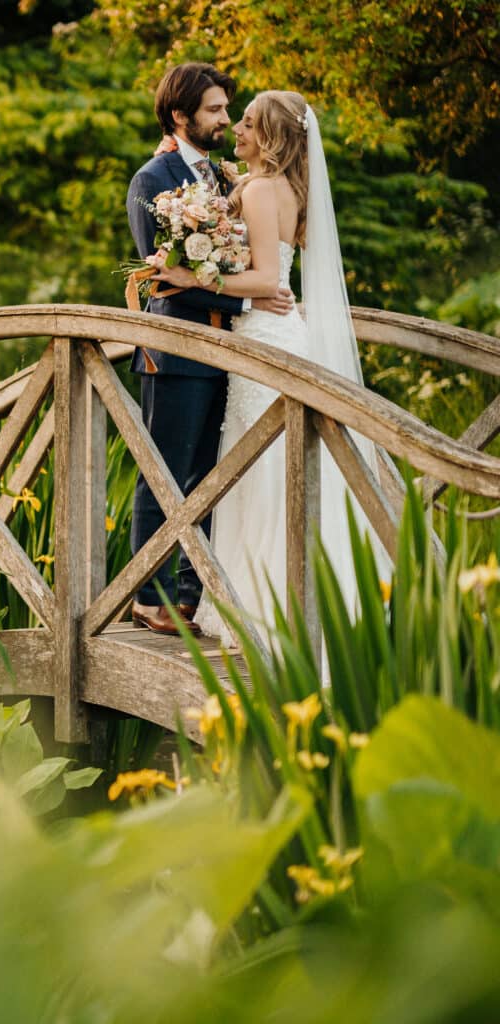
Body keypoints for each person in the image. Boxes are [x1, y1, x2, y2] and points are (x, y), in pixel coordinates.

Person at [152, 89, 385, 645]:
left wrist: (192, 276)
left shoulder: (258, 190)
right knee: (274, 465)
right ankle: (307, 607)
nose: (237, 128)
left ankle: (262, 610)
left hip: (263, 345)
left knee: (260, 469)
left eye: (250, 123)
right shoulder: (283, 189)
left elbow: (264, 283)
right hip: (281, 338)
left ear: (273, 137)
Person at [126, 63, 296, 636]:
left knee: (210, 478)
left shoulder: (226, 178)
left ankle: (192, 597)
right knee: (165, 473)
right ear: (181, 116)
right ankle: (147, 597)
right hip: (175, 350)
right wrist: (251, 301)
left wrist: (258, 292)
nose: (226, 118)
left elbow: (243, 255)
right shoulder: (154, 178)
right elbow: (166, 278)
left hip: (230, 351)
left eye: (228, 110)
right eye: (216, 110)